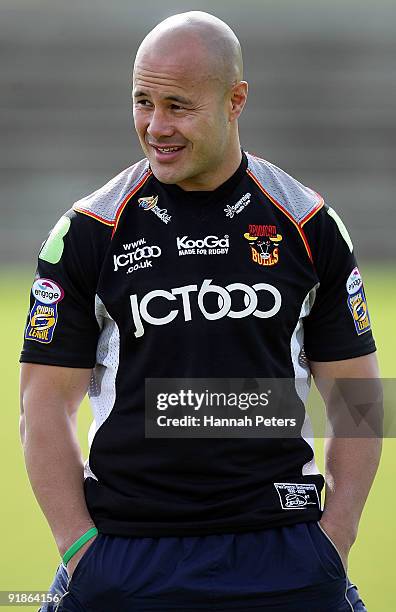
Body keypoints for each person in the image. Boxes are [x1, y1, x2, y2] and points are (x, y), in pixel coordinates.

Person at [20, 11, 381, 612]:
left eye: (178, 106)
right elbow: (42, 403)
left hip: (282, 550)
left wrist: (336, 535)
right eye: (143, 101)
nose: (155, 126)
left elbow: (359, 393)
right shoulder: (88, 229)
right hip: (127, 555)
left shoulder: (308, 223)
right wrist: (77, 546)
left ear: (235, 100)